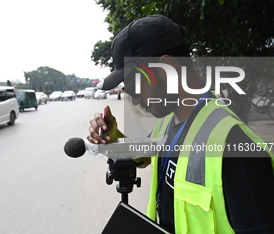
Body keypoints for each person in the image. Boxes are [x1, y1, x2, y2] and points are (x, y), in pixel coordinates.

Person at [87, 15, 274, 234]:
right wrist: (113, 136)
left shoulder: (233, 147)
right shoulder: (169, 120)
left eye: (135, 86)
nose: (135, 100)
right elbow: (144, 153)